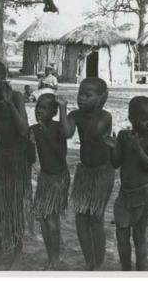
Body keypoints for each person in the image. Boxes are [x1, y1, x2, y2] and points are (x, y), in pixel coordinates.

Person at [0, 60, 33, 269]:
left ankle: (17, 252)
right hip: (0, 155)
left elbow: (23, 130)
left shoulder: (16, 97)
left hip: (18, 156)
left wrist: (10, 104)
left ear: (2, 79)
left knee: (15, 205)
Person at [56, 78, 115, 271]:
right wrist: (63, 110)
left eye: (87, 95)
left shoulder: (105, 116)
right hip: (84, 171)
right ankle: (89, 260)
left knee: (96, 218)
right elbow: (66, 133)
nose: (81, 98)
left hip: (102, 172)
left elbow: (93, 133)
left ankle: (98, 262)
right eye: (80, 93)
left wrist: (96, 108)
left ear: (102, 97)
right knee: (80, 217)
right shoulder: (76, 114)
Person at [104, 96, 148, 271]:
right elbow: (116, 163)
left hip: (145, 194)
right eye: (145, 120)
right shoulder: (122, 135)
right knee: (121, 235)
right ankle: (126, 271)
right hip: (125, 194)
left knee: (139, 236)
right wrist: (112, 148)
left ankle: (142, 273)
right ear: (131, 118)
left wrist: (138, 150)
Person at [30, 93, 70, 270]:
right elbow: (31, 155)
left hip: (58, 178)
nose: (39, 110)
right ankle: (50, 256)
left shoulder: (57, 128)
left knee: (52, 219)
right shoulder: (34, 129)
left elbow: (61, 155)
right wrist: (31, 142)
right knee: (44, 219)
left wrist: (46, 135)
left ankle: (56, 257)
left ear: (53, 111)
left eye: (44, 107)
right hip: (45, 178)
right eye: (38, 106)